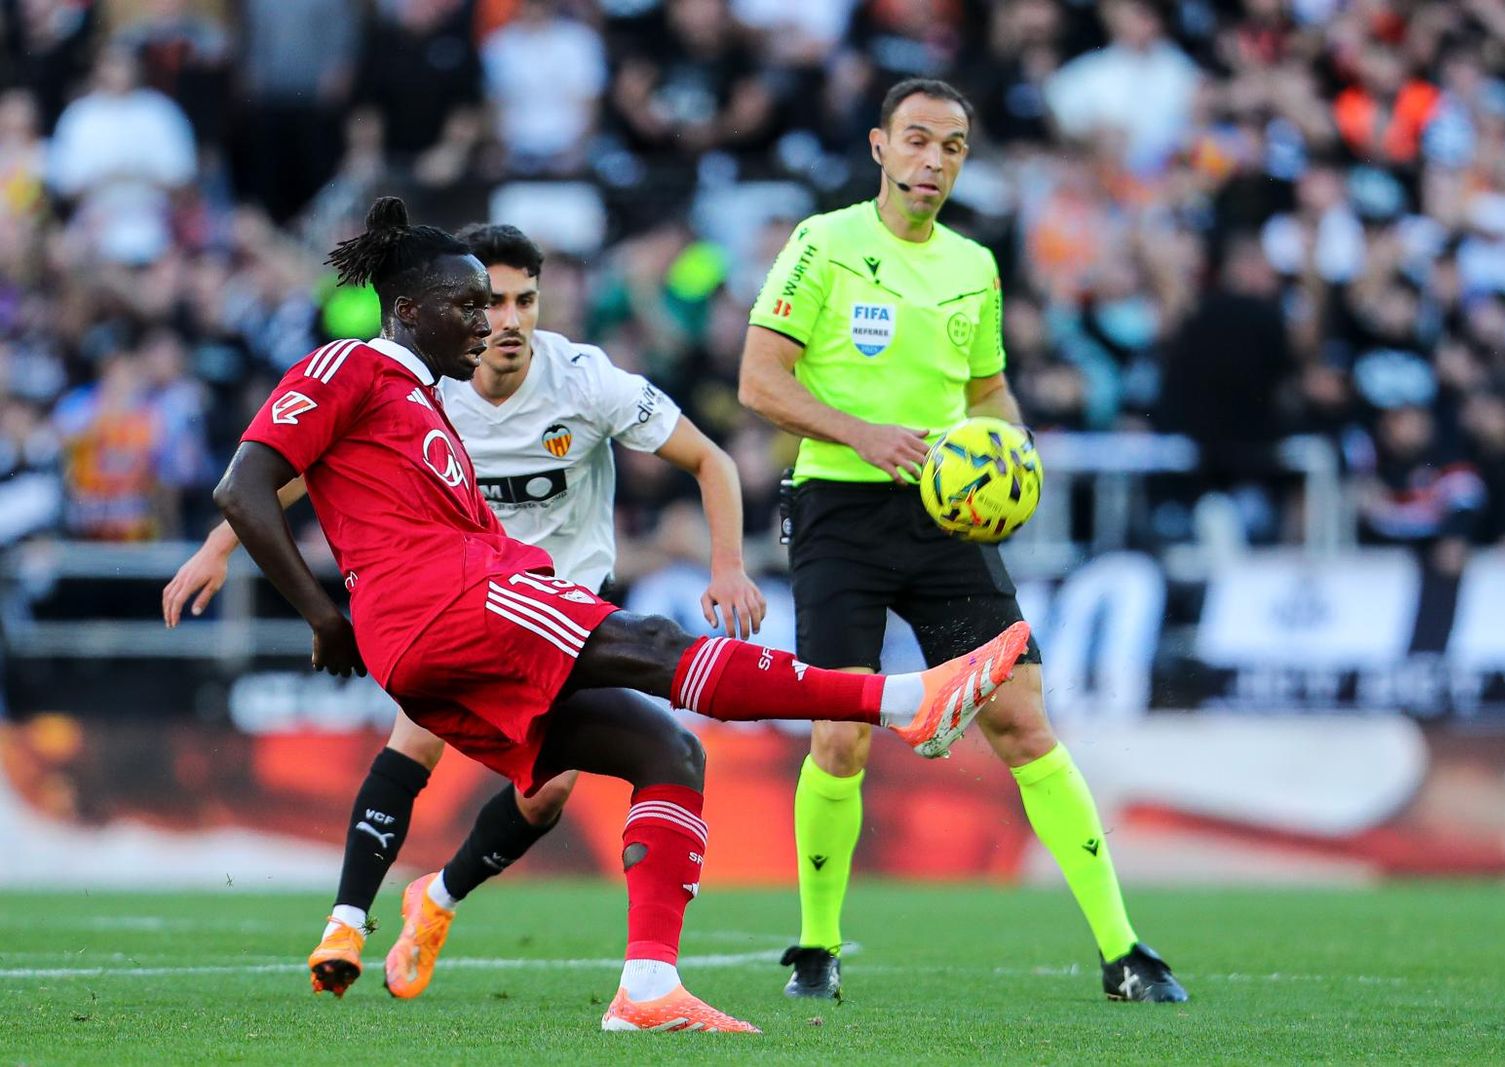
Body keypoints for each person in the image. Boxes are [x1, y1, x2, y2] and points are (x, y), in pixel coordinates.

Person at [209, 196, 1029, 1033]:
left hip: (460, 621)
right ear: (409, 311)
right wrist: (317, 612)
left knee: (662, 751)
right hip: (453, 607)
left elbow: (335, 484)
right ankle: (902, 701)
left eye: (505, 303)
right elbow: (248, 484)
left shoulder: (445, 401)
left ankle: (644, 987)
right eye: (469, 306)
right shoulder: (352, 362)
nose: (488, 324)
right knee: (653, 647)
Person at [165, 221, 766, 1000]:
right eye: (492, 300)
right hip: (456, 600)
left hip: (562, 607)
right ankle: (345, 920)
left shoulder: (585, 380)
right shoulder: (424, 380)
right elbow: (304, 457)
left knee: (547, 794)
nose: (507, 320)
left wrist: (727, 565)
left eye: (524, 300)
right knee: (412, 739)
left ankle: (437, 897)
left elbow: (709, 458)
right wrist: (220, 544)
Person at [738, 78, 1187, 1003]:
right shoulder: (823, 244)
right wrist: (863, 436)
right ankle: (816, 949)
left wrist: (1012, 450)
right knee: (840, 738)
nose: (932, 160)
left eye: (951, 147)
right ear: (878, 147)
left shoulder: (974, 265)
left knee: (1023, 719)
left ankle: (1126, 951)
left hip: (946, 520)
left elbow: (986, 393)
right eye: (917, 140)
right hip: (839, 511)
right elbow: (759, 379)